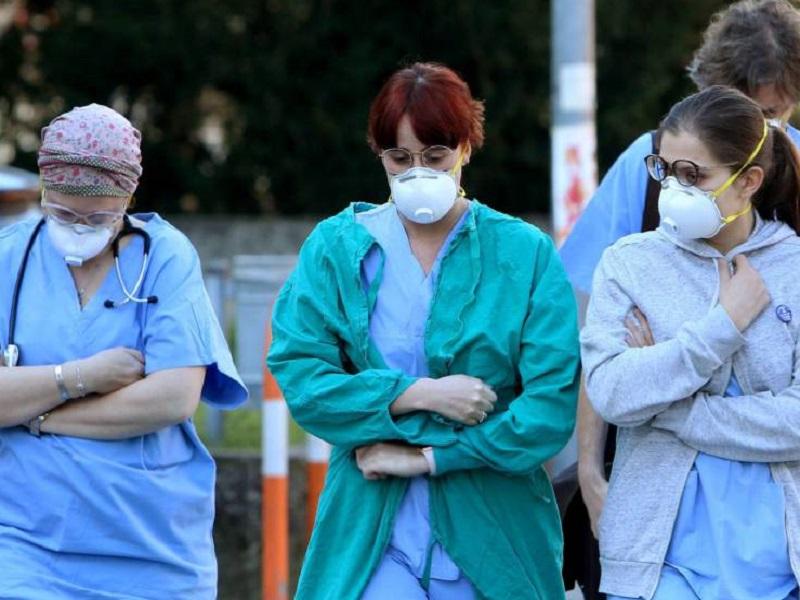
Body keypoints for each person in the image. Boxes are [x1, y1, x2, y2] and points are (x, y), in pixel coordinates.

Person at [268, 62, 580, 600]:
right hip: (371, 523)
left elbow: (548, 411)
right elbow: (304, 381)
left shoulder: (524, 253)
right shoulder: (336, 249)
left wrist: (428, 458)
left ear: (465, 148)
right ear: (378, 154)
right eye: (399, 158)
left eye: (435, 156)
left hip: (495, 528)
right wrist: (418, 394)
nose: (417, 172)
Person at [558, 2, 800, 597]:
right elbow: (603, 363)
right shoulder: (636, 235)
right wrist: (590, 469)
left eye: (773, 113)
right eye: (668, 171)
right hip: (659, 533)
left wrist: (667, 407)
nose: (759, 125)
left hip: (771, 541)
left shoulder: (789, 249)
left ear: (752, 179)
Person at [0, 104, 247, 599]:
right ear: (44, 192)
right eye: (62, 212)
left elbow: (173, 398)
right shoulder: (10, 256)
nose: (78, 226)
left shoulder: (165, 257)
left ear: (129, 198)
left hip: (152, 548)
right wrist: (82, 376)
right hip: (25, 541)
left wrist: (37, 415)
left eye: (98, 217)